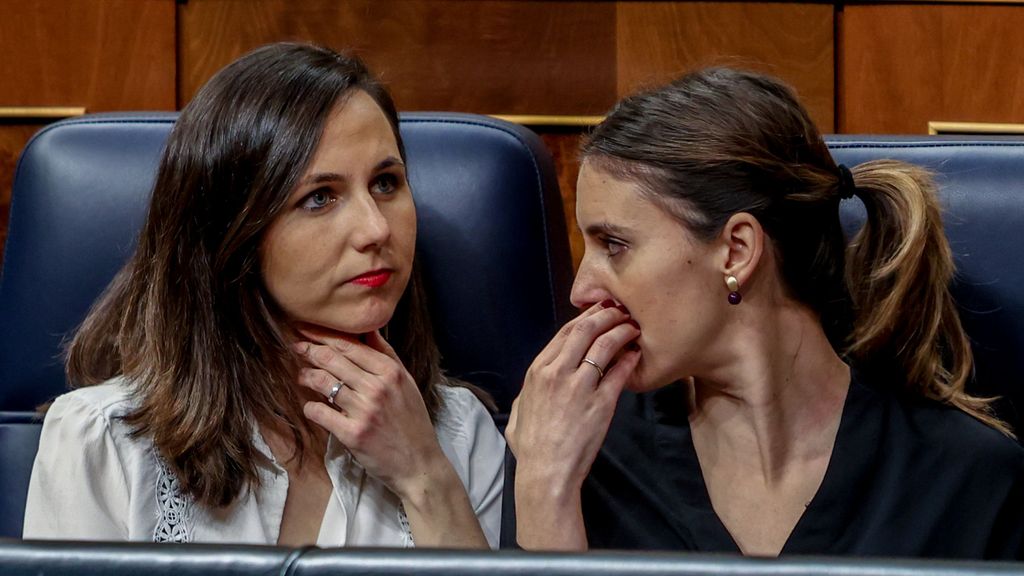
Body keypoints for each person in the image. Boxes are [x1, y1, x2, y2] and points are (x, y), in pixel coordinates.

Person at [505, 67, 1024, 558]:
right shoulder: (573, 450)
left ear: (735, 250)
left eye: (614, 245)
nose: (581, 291)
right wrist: (545, 498)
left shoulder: (966, 479)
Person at [23, 42, 503, 548]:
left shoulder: (461, 437)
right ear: (234, 233)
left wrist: (425, 477)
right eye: (320, 197)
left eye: (386, 183)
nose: (375, 228)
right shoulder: (99, 440)